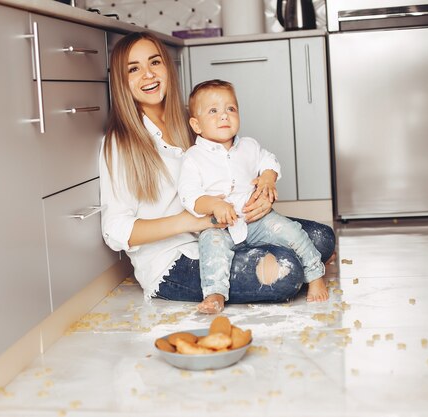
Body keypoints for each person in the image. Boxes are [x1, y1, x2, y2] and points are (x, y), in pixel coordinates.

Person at [99, 31, 335, 307]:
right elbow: (114, 230)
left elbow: (237, 163)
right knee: (288, 271)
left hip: (230, 229)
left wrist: (261, 190)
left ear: (167, 68)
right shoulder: (120, 144)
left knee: (322, 237)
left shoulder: (192, 123)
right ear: (121, 80)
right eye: (134, 69)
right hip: (176, 259)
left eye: (155, 63)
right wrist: (191, 222)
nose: (148, 74)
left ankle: (276, 257)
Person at [178, 79, 328, 314]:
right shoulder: (193, 157)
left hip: (256, 220)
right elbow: (189, 195)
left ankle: (315, 275)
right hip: (219, 226)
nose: (224, 116)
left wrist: (267, 178)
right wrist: (214, 204)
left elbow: (270, 161)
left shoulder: (249, 146)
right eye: (214, 111)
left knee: (291, 232)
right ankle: (215, 293)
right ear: (196, 125)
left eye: (231, 109)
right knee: (211, 247)